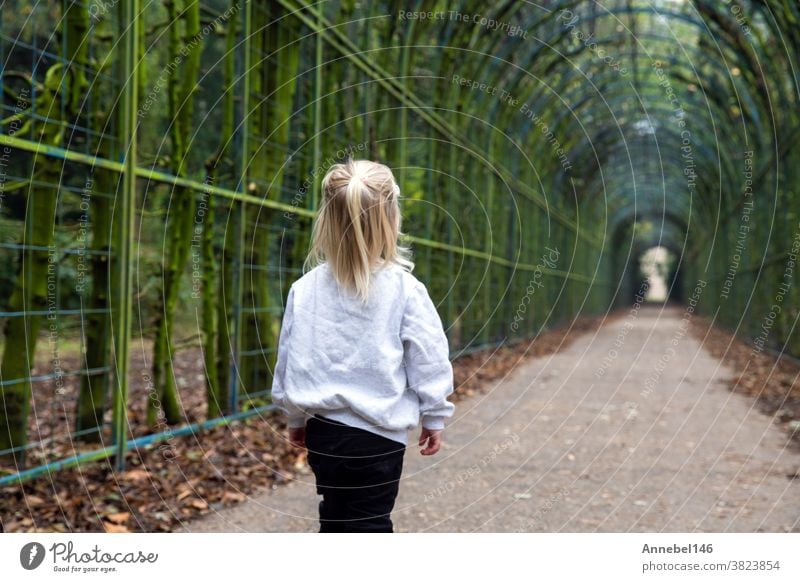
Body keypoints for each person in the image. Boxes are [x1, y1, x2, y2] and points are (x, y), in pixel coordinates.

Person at [271, 158, 455, 533]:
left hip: (324, 433)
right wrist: (434, 415)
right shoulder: (405, 289)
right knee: (370, 522)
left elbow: (289, 357)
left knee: (336, 516)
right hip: (379, 437)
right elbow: (428, 356)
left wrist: (294, 416)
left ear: (326, 219)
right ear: (392, 220)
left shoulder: (304, 289)